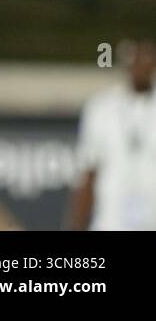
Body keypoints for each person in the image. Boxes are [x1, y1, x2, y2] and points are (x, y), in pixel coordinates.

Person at [67, 38, 156, 230]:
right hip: (112, 221)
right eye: (135, 59)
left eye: (147, 59)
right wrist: (76, 225)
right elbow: (89, 172)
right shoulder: (102, 107)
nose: (141, 66)